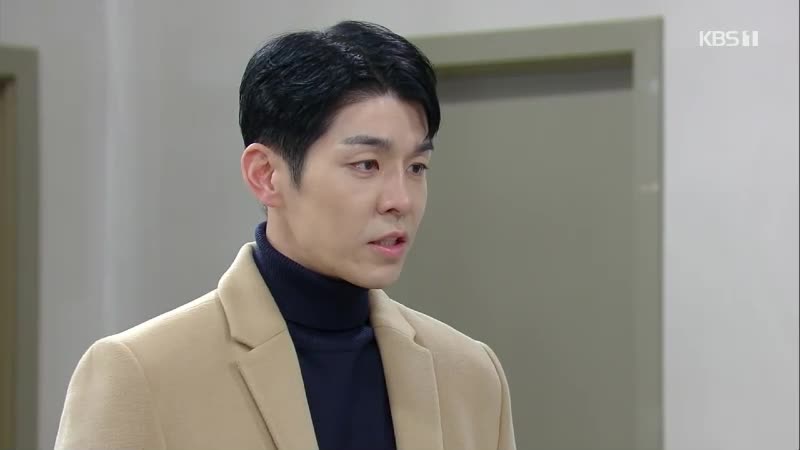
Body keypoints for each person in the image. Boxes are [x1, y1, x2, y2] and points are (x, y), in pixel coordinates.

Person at [55, 20, 516, 450]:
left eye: (416, 167)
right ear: (266, 175)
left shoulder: (470, 375)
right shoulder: (141, 374)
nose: (401, 199)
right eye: (366, 165)